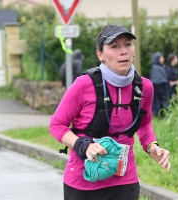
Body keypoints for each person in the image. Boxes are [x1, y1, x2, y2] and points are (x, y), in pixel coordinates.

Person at [49, 24, 171, 200]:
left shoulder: (144, 87)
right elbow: (56, 125)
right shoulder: (84, 85)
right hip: (83, 182)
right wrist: (83, 144)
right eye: (114, 46)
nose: (123, 51)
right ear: (100, 55)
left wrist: (152, 146)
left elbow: (144, 123)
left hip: (125, 181)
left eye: (128, 44)